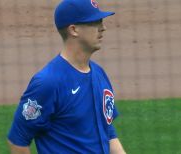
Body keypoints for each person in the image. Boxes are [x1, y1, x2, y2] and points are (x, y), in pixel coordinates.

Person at [7, 0, 126, 153]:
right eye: (95, 23)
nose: (103, 28)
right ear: (74, 29)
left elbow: (107, 131)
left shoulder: (99, 74)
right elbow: (18, 140)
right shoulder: (48, 82)